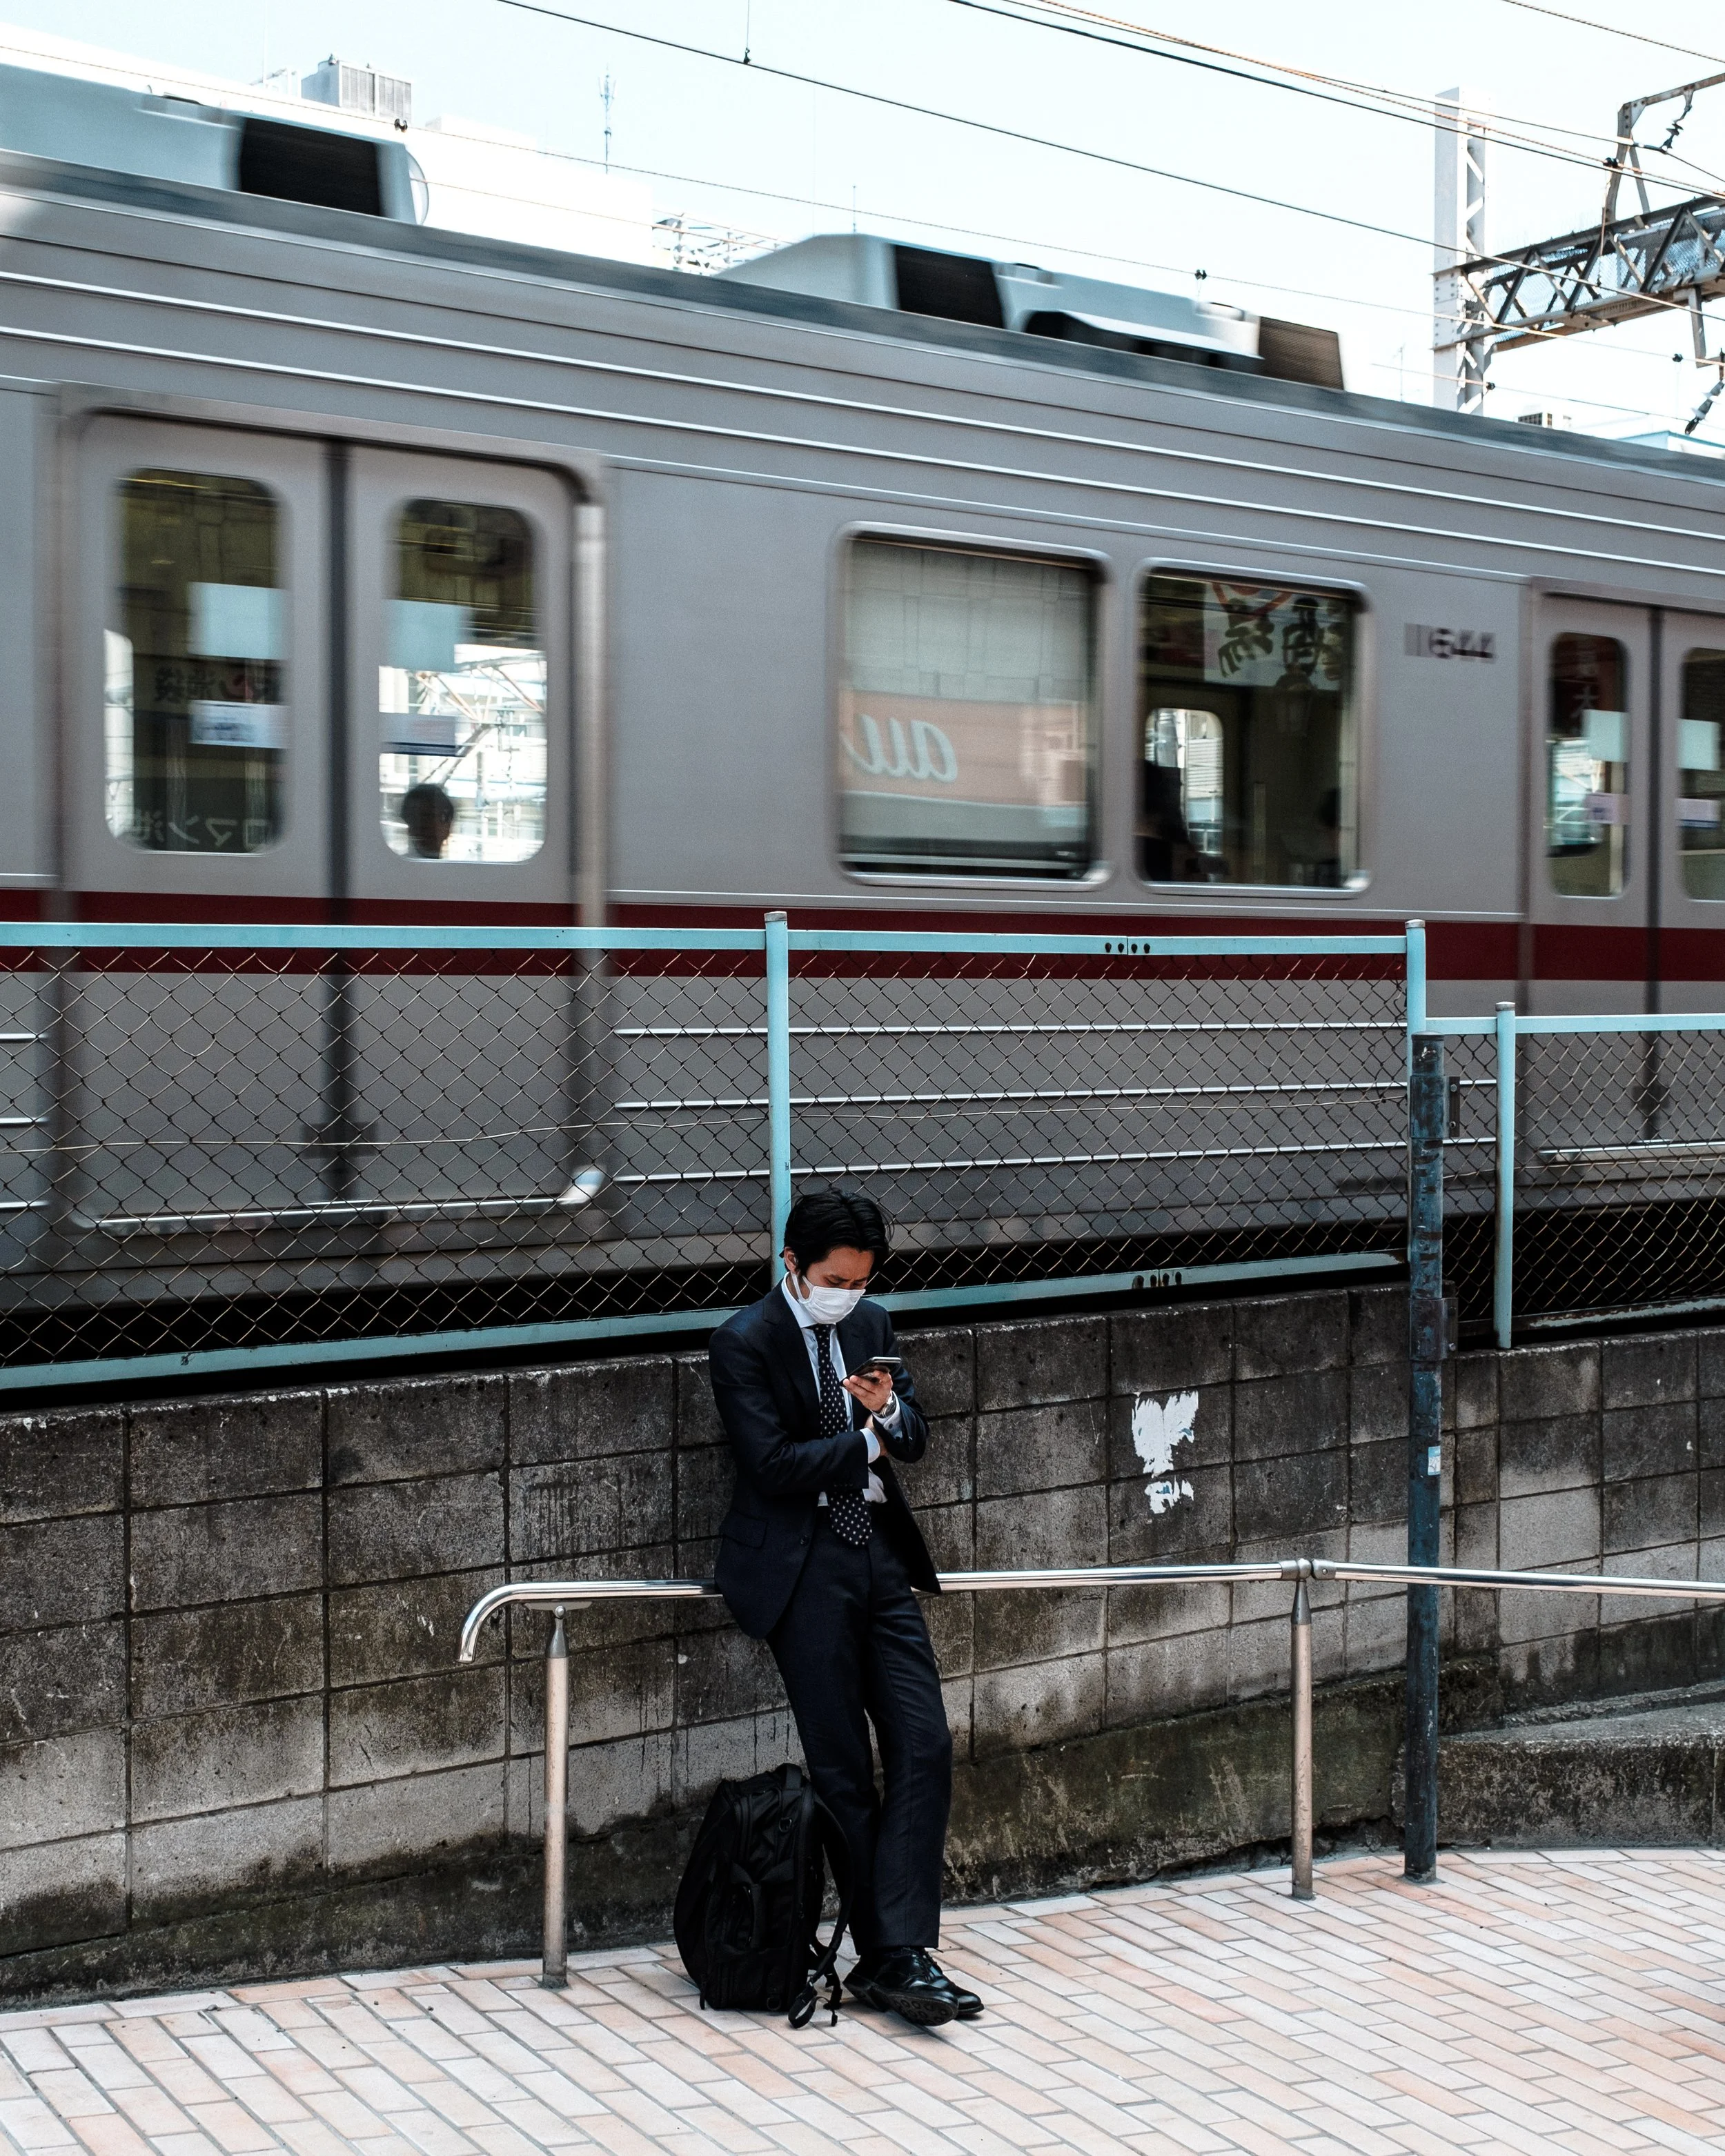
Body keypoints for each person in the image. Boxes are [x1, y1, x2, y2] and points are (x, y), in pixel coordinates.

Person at [708, 1189, 982, 2029]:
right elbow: (773, 1464)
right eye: (835, 1278)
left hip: (879, 1557)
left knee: (924, 1741)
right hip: (801, 1566)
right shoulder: (744, 1341)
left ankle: (895, 1950)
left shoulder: (870, 1323)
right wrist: (866, 1438)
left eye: (861, 1281)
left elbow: (916, 1434)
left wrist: (890, 1411)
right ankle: (890, 1954)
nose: (849, 1294)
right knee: (842, 1772)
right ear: (792, 1263)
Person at [400, 781, 456, 859]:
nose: (429, 825)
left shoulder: (454, 869)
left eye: (431, 817)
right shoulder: (394, 868)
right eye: (422, 819)